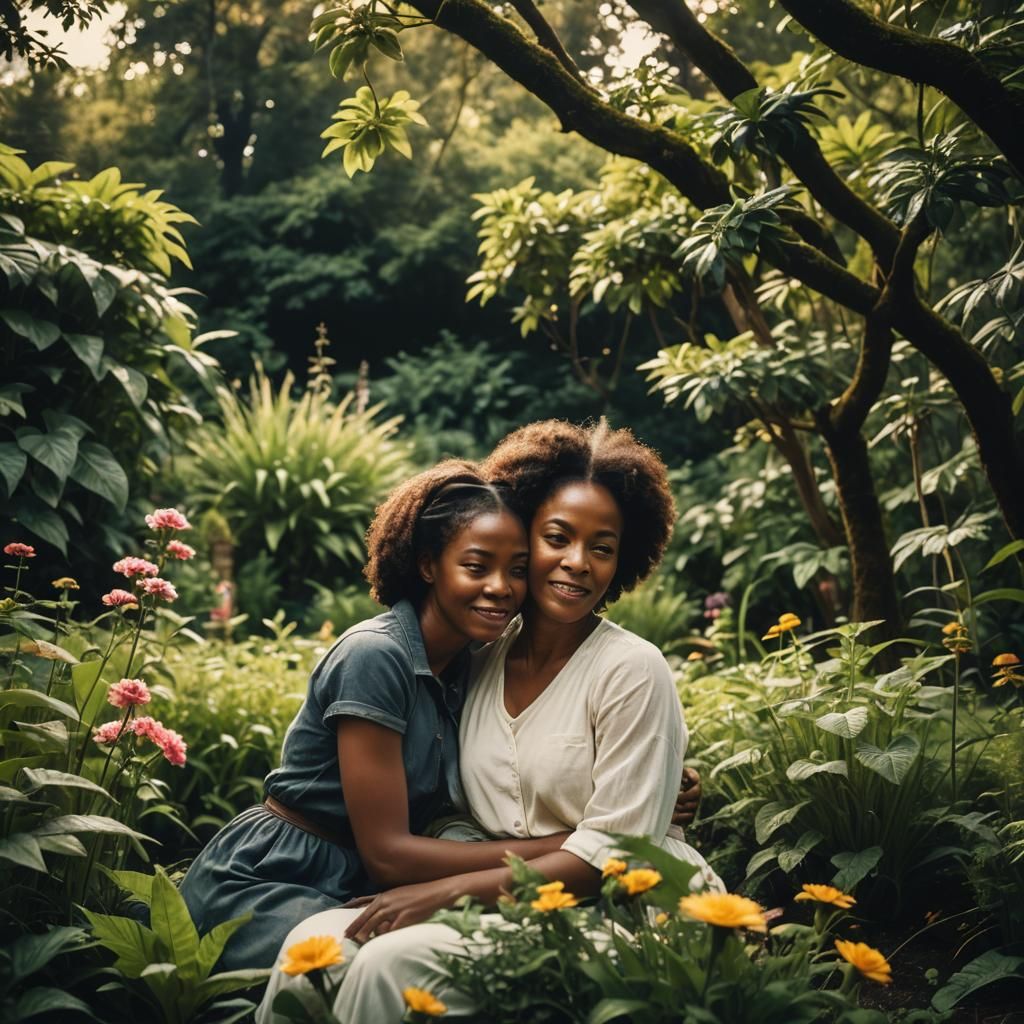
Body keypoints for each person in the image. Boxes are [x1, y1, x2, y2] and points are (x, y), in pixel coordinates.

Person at [259, 420, 722, 1021]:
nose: (577, 562)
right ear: (525, 538)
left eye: (602, 548)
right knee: (314, 947)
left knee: (384, 964)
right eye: (558, 537)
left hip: (618, 906)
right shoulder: (479, 663)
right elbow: (452, 805)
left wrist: (443, 893)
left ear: (622, 562)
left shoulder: (632, 669)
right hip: (507, 893)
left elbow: (618, 853)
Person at [180, 461, 584, 970]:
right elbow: (389, 854)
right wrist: (568, 847)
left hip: (370, 878)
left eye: (518, 570)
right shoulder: (376, 657)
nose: (502, 587)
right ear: (428, 565)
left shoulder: (472, 664)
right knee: (369, 970)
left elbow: (536, 748)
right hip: (278, 878)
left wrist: (642, 784)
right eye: (477, 566)